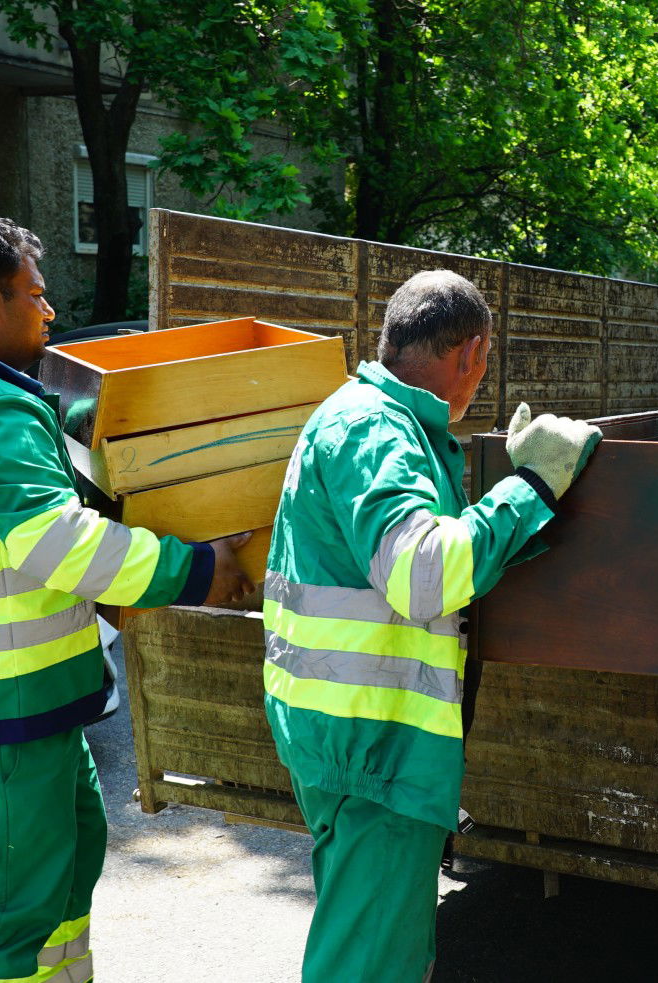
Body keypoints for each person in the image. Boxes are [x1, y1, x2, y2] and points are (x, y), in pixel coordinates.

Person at [0, 213, 252, 983]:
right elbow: (60, 544)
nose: (51, 311)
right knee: (9, 912)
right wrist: (196, 570)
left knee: (69, 860)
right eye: (36, 295)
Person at [263, 269, 602, 981]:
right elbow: (422, 575)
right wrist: (530, 486)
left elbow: (417, 552)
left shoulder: (373, 419)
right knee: (371, 965)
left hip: (351, 733)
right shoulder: (374, 430)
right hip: (376, 747)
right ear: (472, 352)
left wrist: (516, 507)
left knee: (374, 944)